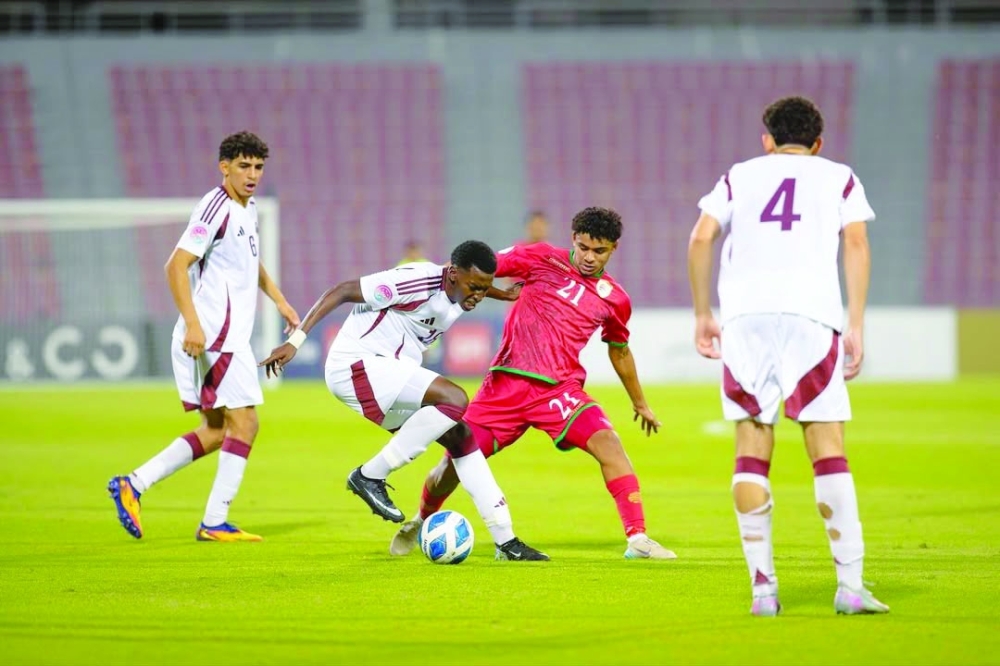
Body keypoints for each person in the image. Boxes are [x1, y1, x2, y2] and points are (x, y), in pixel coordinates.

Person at [687, 96, 888, 616]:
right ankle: (849, 587)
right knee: (826, 443)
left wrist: (704, 312)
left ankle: (763, 592)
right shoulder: (839, 176)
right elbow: (857, 244)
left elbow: (701, 237)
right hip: (810, 315)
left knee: (752, 444)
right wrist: (857, 323)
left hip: (745, 319)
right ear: (818, 144)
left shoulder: (738, 175)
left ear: (767, 140)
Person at [389, 207, 677, 560]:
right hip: (504, 388)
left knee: (610, 444)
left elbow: (619, 351)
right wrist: (493, 293)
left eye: (598, 251)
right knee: (452, 464)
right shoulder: (540, 257)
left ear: (613, 249)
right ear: (573, 238)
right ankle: (420, 520)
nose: (588, 257)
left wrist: (640, 403)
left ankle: (638, 539)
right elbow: (481, 270)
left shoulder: (615, 298)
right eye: (583, 247)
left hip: (559, 391)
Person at [260, 241, 549, 561]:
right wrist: (295, 341)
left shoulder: (460, 287)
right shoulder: (416, 281)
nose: (478, 295)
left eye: (484, 289)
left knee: (461, 437)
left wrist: (503, 293)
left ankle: (506, 541)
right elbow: (341, 291)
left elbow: (474, 282)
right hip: (358, 364)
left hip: (389, 372)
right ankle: (370, 474)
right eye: (475, 287)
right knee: (455, 399)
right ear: (453, 275)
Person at [107, 131, 300, 542]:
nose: (252, 175)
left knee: (216, 430)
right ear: (224, 167)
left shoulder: (244, 211)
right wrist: (193, 323)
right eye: (243, 166)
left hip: (224, 338)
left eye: (258, 167)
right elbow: (175, 266)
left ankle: (134, 484)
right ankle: (214, 522)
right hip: (215, 337)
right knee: (245, 423)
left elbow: (251, 263)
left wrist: (281, 302)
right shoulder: (215, 207)